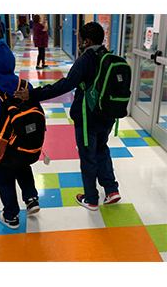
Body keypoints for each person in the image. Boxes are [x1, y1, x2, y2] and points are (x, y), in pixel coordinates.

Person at [14, 22, 120, 211]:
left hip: (88, 118)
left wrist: (34, 94)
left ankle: (91, 199)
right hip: (108, 115)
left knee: (88, 155)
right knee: (102, 149)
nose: (79, 43)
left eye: (80, 40)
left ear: (87, 41)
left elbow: (64, 85)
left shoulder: (86, 58)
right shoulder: (109, 56)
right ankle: (112, 190)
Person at [0, 41, 42, 229]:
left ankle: (11, 216)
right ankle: (31, 199)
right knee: (23, 168)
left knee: (4, 180)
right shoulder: (24, 84)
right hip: (23, 141)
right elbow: (37, 111)